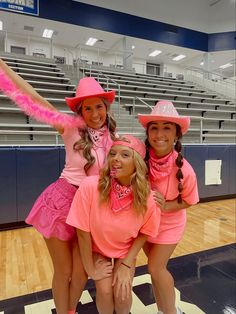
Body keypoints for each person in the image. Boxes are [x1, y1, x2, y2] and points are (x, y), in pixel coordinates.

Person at [0, 59, 117, 314]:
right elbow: (33, 97)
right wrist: (3, 70)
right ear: (80, 112)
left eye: (99, 106)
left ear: (106, 107)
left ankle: (69, 309)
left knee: (81, 273)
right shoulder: (70, 128)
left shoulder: (115, 140)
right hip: (62, 203)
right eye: (88, 108)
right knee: (63, 272)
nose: (95, 114)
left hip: (90, 210)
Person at [66, 134, 161, 314]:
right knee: (104, 290)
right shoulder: (90, 186)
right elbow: (82, 233)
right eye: (112, 154)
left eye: (125, 155)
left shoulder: (147, 197)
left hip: (125, 251)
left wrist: (126, 264)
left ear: (137, 163)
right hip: (96, 248)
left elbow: (145, 232)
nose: (116, 159)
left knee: (122, 292)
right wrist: (91, 270)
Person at [138, 100, 199, 314]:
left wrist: (166, 206)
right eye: (154, 128)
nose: (159, 134)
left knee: (156, 268)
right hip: (145, 225)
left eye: (167, 128)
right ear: (148, 132)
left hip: (169, 226)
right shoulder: (140, 157)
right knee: (155, 272)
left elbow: (189, 200)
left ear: (176, 135)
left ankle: (172, 312)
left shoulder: (185, 170)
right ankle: (162, 309)